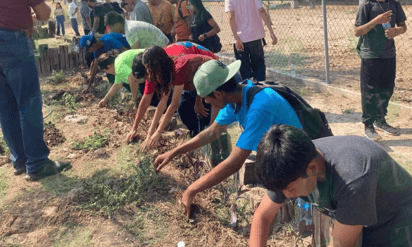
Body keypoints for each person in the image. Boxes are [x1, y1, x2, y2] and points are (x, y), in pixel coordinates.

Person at [154, 60, 302, 218]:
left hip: (298, 161)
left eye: (206, 98)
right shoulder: (238, 99)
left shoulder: (259, 107)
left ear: (218, 93)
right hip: (280, 155)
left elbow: (234, 163)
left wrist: (192, 189)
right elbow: (212, 132)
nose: (206, 102)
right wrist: (173, 153)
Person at [250, 124, 412, 247]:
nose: (286, 195)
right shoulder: (290, 167)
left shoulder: (352, 180)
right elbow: (263, 216)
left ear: (312, 168)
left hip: (399, 224)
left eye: (291, 189)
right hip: (366, 220)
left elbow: (341, 244)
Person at [0, 0, 71, 181]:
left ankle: (19, 160)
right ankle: (38, 163)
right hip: (13, 42)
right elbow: (43, 13)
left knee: (4, 105)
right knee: (28, 103)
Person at [127, 41, 219, 143]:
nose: (147, 80)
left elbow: (174, 103)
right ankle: (197, 138)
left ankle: (210, 143)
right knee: (184, 109)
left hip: (210, 73)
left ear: (151, 68)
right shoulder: (157, 69)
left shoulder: (174, 66)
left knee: (204, 114)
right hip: (194, 78)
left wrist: (199, 98)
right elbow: (155, 101)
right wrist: (141, 130)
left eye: (146, 75)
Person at [354, 0, 407, 141]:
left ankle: (380, 120)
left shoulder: (394, 4)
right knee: (370, 91)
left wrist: (396, 31)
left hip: (388, 54)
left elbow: (403, 26)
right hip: (371, 55)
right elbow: (357, 31)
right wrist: (376, 21)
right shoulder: (367, 6)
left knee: (387, 89)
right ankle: (368, 125)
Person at [225, 0, 277, 81]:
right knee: (259, 67)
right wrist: (271, 32)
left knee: (244, 70)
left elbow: (230, 17)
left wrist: (236, 38)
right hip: (256, 37)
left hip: (240, 39)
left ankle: (247, 93)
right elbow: (262, 11)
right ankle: (260, 91)